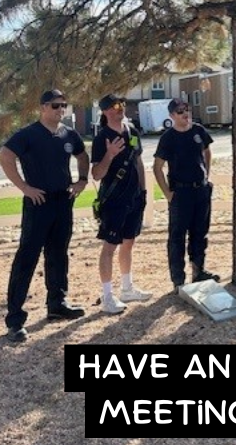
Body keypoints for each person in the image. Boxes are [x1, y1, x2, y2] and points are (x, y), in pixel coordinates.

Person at [0, 89, 90, 342]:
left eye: (64, 105)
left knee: (58, 253)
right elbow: (5, 157)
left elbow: (82, 156)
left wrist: (82, 180)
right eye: (55, 106)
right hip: (38, 203)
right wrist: (25, 188)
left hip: (63, 201)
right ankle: (15, 319)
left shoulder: (68, 134)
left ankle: (57, 304)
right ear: (42, 108)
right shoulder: (28, 134)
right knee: (27, 258)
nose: (60, 110)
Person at [91, 94, 153, 314]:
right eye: (116, 106)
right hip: (114, 200)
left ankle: (127, 287)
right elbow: (96, 174)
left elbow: (138, 161)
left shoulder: (132, 132)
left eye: (122, 105)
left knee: (129, 243)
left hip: (134, 197)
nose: (121, 109)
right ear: (106, 111)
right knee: (109, 246)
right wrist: (109, 155)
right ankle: (107, 295)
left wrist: (143, 192)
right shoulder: (102, 138)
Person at [153, 98, 220, 291]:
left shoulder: (199, 131)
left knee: (200, 233)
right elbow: (158, 167)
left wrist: (206, 175)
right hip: (180, 193)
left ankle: (198, 271)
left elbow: (207, 152)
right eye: (180, 111)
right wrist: (167, 193)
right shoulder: (168, 138)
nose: (185, 114)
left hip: (201, 190)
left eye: (187, 110)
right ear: (172, 115)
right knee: (177, 237)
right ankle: (178, 279)